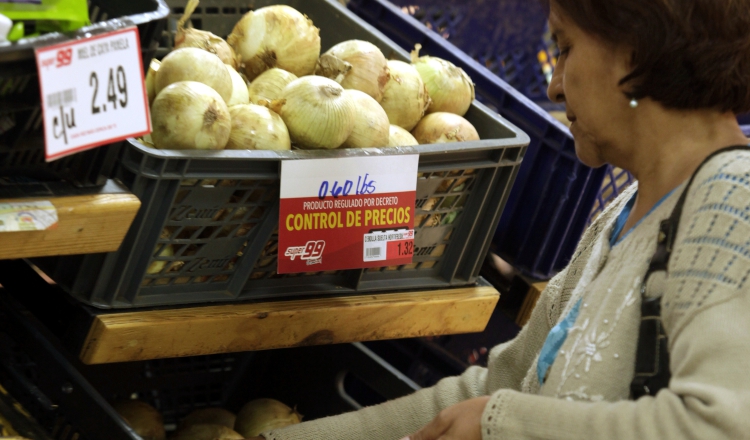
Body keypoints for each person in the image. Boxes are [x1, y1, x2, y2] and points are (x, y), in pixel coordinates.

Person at [251, 0, 750, 438]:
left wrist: (501, 425)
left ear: (634, 51)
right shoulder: (620, 217)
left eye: (565, 47)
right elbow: (500, 385)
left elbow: (721, 426)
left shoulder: (735, 198)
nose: (554, 87)